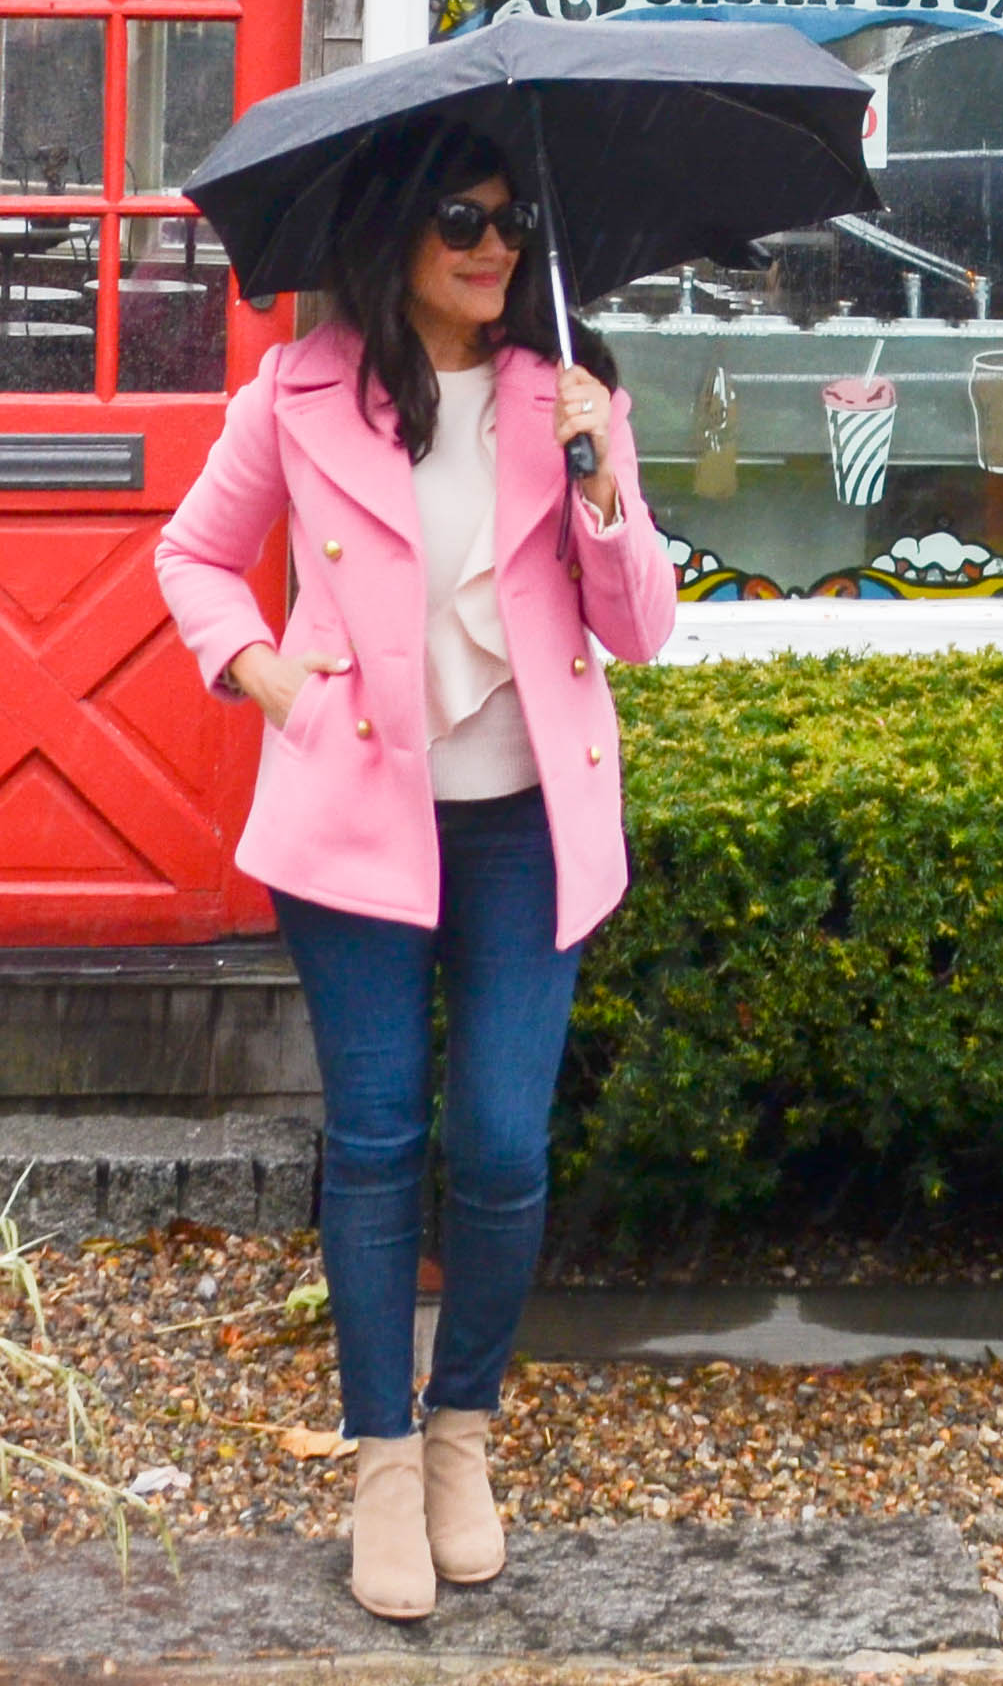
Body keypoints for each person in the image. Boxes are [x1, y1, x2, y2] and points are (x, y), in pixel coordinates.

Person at [156, 125, 677, 1620]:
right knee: (379, 1145)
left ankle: (465, 1438)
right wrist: (277, 686)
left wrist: (597, 483)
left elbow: (636, 628)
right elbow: (194, 557)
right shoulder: (298, 394)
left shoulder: (567, 398)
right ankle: (381, 1460)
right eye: (461, 216)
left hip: (523, 822)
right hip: (353, 822)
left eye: (510, 219)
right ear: (395, 231)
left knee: (503, 1147)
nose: (490, 243)